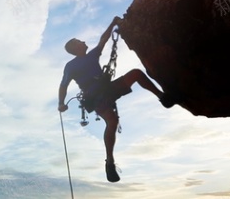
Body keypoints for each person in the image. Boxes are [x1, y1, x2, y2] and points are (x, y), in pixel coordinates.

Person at [57, 16, 175, 183]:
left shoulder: (91, 55)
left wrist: (113, 24)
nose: (83, 41)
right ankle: (110, 162)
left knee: (136, 74)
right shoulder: (71, 66)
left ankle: (162, 97)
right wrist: (61, 103)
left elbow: (103, 40)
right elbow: (63, 85)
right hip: (95, 96)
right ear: (75, 48)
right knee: (112, 121)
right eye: (79, 41)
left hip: (107, 88)